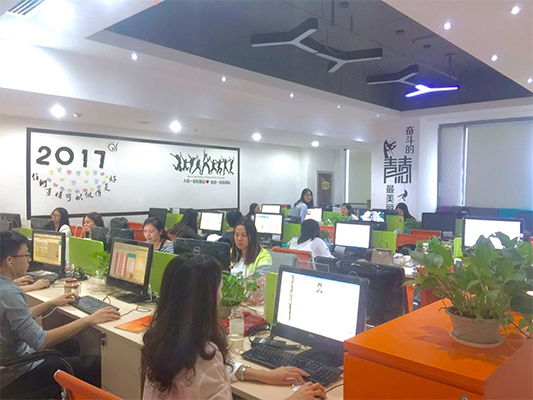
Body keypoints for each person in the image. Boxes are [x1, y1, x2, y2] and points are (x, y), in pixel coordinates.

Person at [141, 254, 326, 400]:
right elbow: (208, 370)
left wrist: (262, 375)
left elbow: (212, 373)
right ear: (208, 299)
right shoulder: (204, 356)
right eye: (219, 288)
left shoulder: (160, 340)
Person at [0, 231, 121, 399]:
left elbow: (18, 320)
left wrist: (50, 303)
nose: (29, 260)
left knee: (71, 345)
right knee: (95, 364)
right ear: (9, 261)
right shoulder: (10, 293)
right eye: (26, 255)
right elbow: (41, 341)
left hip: (8, 362)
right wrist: (89, 319)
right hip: (16, 373)